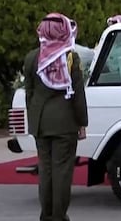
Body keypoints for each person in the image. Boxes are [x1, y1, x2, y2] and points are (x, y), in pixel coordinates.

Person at [23, 13, 88, 221]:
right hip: (65, 123)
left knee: (46, 170)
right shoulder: (70, 57)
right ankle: (59, 215)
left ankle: (46, 214)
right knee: (62, 171)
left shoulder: (32, 57)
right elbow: (78, 94)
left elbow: (29, 93)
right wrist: (82, 122)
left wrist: (34, 121)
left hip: (41, 122)